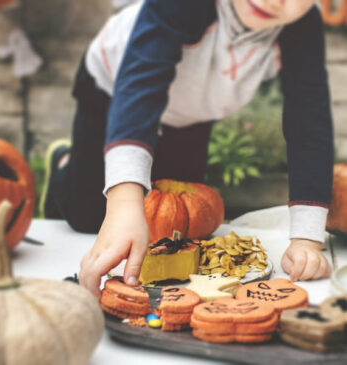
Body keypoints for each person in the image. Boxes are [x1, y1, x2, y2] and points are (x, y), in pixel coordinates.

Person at [40, 0, 333, 298]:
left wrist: (307, 241)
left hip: (192, 110)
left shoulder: (301, 24)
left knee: (178, 226)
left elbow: (309, 120)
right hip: (115, 90)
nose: (275, 0)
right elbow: (141, 91)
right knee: (90, 214)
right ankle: (65, 163)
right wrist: (124, 203)